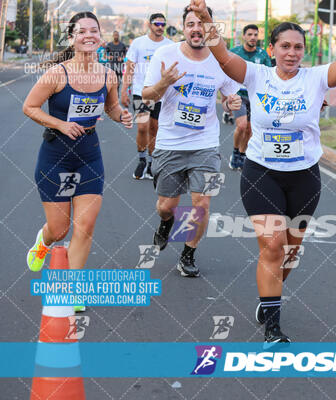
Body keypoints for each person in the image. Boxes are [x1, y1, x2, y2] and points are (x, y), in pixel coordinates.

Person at [189, 0, 336, 345]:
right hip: (261, 172)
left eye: (298, 47)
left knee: (290, 252)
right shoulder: (256, 74)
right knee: (272, 244)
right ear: (271, 49)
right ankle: (273, 326)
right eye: (284, 46)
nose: (291, 52)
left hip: (304, 176)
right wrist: (208, 18)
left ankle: (269, 300)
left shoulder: (316, 79)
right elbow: (222, 55)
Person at [22, 12, 133, 311]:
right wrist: (59, 124)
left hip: (89, 155)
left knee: (85, 225)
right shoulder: (58, 74)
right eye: (81, 31)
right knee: (59, 229)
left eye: (93, 30)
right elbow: (29, 107)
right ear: (71, 37)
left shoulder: (108, 74)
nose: (88, 35)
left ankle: (72, 289)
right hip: (56, 155)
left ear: (100, 35)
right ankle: (43, 242)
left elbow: (111, 107)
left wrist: (121, 114)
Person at [142, 6, 241, 277]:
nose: (196, 29)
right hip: (170, 144)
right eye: (190, 24)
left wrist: (233, 102)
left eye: (201, 24)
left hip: (206, 144)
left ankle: (188, 255)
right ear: (183, 27)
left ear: (210, 28)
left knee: (202, 203)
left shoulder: (222, 60)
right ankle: (167, 222)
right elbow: (147, 95)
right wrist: (164, 82)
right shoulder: (166, 54)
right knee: (166, 206)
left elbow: (232, 97)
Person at [121, 13, 173, 180]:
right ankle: (142, 159)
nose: (160, 27)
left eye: (163, 24)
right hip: (140, 91)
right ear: (149, 25)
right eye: (157, 24)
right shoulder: (138, 43)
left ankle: (152, 163)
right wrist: (124, 89)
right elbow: (129, 68)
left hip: (160, 93)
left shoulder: (170, 45)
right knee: (143, 126)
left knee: (154, 128)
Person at [227, 24, 272, 171]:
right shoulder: (234, 52)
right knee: (242, 126)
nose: (253, 37)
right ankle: (235, 152)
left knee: (249, 130)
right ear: (244, 36)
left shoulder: (263, 54)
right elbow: (225, 72)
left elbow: (269, 75)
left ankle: (242, 153)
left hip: (255, 97)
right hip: (238, 95)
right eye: (250, 34)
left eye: (255, 35)